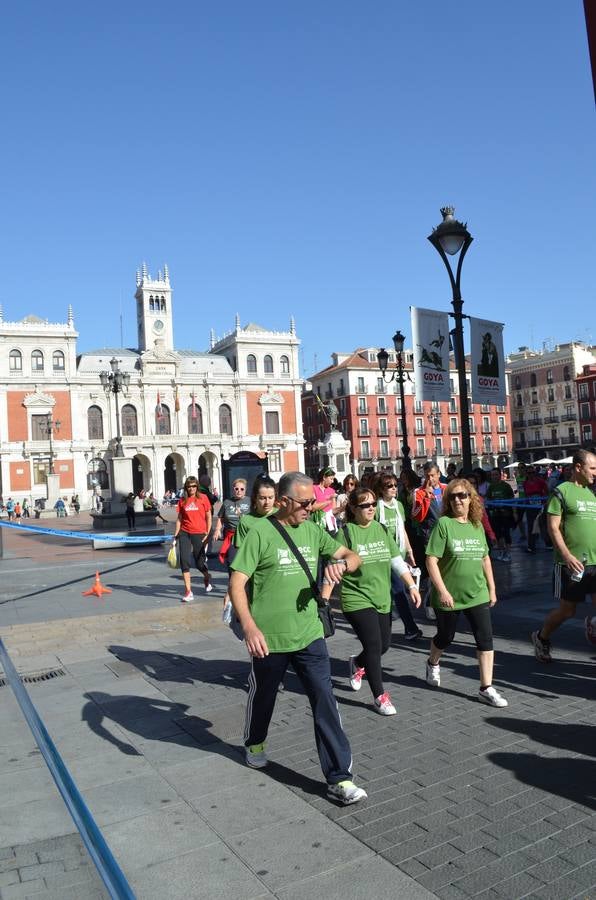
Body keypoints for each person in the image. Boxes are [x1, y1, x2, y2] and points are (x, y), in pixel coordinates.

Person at [229, 471, 368, 806]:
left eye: (313, 502)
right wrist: (249, 627)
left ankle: (340, 777)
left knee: (324, 699)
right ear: (284, 501)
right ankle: (255, 741)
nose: (312, 507)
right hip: (269, 638)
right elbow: (236, 583)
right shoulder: (259, 532)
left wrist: (342, 567)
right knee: (263, 697)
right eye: (305, 503)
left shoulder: (313, 530)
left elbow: (353, 556)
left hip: (309, 634)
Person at [326, 486, 421, 716]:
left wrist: (411, 586)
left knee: (384, 645)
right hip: (356, 597)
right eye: (365, 505)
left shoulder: (381, 528)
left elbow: (396, 560)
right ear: (354, 508)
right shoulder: (346, 533)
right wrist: (324, 600)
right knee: (373, 645)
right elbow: (332, 570)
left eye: (372, 504)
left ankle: (358, 664)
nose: (370, 508)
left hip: (381, 596)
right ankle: (379, 696)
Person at [424, 478, 508, 708]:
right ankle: (432, 662)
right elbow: (431, 560)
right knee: (445, 637)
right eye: (453, 496)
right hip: (449, 595)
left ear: (471, 498)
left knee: (485, 638)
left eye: (463, 495)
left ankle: (486, 687)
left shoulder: (476, 525)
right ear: (448, 501)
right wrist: (441, 590)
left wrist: (491, 588)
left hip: (477, 593)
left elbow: (485, 558)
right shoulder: (444, 525)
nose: (458, 500)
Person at [531, 449, 596, 663]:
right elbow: (553, 528)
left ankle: (593, 626)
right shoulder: (561, 492)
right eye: (592, 468)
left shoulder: (591, 494)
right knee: (567, 611)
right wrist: (567, 555)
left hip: (594, 562)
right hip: (570, 565)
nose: (595, 472)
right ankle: (541, 638)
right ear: (578, 467)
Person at [375, 472, 422, 640]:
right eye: (389, 486)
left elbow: (402, 530)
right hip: (380, 556)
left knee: (396, 591)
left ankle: (395, 629)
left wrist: (409, 552)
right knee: (395, 592)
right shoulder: (375, 507)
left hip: (398, 555)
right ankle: (407, 628)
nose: (394, 488)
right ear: (381, 489)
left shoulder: (398, 506)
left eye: (396, 485)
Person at [172, 476, 213, 602]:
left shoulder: (203, 498)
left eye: (194, 486)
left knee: (199, 563)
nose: (191, 488)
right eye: (189, 486)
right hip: (185, 532)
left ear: (197, 487)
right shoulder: (183, 500)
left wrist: (208, 532)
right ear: (186, 487)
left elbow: (208, 516)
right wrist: (175, 535)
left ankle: (207, 577)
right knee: (184, 561)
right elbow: (179, 519)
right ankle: (188, 592)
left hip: (199, 532)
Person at [485, 467, 515, 562]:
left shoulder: (506, 486)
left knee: (506, 533)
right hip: (495, 514)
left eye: (496, 474)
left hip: (506, 513)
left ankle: (508, 553)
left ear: (500, 475)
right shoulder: (491, 487)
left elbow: (512, 498)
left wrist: (514, 512)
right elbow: (488, 498)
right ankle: (502, 552)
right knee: (498, 534)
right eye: (492, 475)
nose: (494, 476)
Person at [524, 467, 549, 553]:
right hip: (530, 507)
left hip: (540, 506)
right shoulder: (525, 483)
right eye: (529, 473)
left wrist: (544, 502)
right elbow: (526, 494)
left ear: (535, 473)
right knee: (531, 526)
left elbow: (546, 491)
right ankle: (531, 546)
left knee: (543, 525)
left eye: (532, 473)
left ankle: (549, 544)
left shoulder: (540, 481)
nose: (531, 475)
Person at [311, 467, 340, 534]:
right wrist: (329, 500)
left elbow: (333, 510)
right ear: (324, 477)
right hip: (318, 523)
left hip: (330, 524)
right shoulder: (313, 488)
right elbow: (313, 507)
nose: (332, 481)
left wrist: (343, 507)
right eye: (331, 479)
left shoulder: (332, 491)